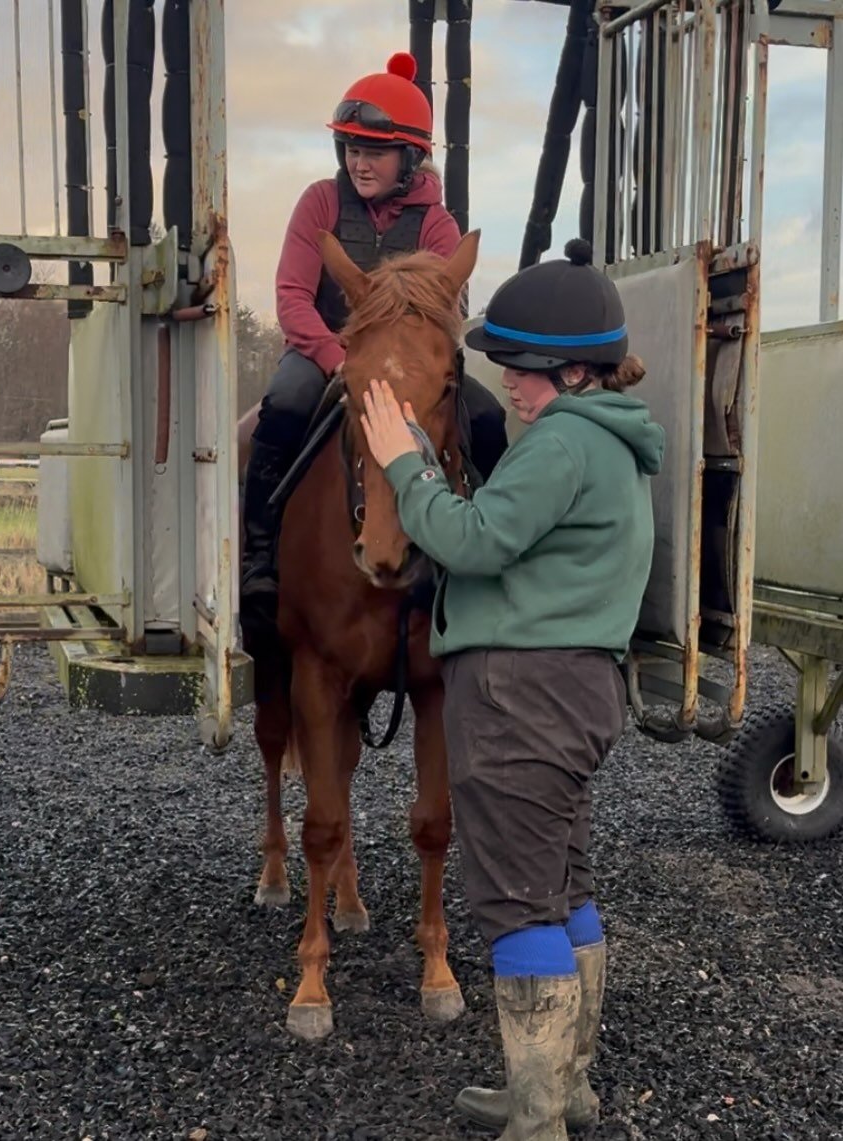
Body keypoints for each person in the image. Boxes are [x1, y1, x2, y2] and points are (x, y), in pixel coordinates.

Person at [360, 238, 665, 1140]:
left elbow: (476, 539)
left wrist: (402, 462)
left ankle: (539, 1124)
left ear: (574, 371)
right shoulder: (607, 438)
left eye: (524, 371)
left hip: (521, 696)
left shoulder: (563, 442)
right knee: (563, 883)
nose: (512, 387)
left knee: (515, 902)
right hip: (572, 690)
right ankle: (559, 1087)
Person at [240, 51, 508, 617]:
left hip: (408, 363)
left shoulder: (438, 225)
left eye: (376, 153)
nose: (360, 164)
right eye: (352, 150)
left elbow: (441, 315)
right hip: (322, 354)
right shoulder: (319, 202)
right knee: (283, 409)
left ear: (409, 158)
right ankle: (259, 556)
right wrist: (338, 358)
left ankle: (486, 548)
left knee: (485, 419)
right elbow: (291, 295)